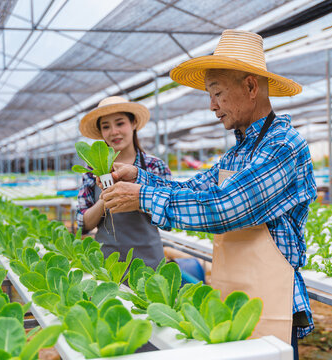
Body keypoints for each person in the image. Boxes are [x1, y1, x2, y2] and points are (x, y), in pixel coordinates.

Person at [101, 30, 316, 358]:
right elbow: (194, 188)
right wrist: (141, 178)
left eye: (217, 93)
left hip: (272, 300)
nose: (212, 106)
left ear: (250, 87)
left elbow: (226, 207)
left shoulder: (282, 146)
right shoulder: (239, 152)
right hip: (236, 295)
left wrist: (143, 197)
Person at [76, 96, 172, 269]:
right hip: (107, 263)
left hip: (148, 260)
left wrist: (135, 197)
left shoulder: (154, 166)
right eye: (106, 126)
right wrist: (106, 198)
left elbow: (168, 217)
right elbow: (84, 224)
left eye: (120, 123)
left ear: (133, 123)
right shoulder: (92, 170)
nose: (114, 131)